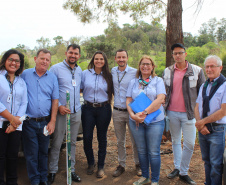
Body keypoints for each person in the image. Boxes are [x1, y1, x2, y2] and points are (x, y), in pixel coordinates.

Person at [162, 43, 205, 184]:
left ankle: (183, 171)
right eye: (175, 53)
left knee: (190, 144)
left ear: (185, 54)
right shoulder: (167, 71)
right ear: (172, 55)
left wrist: (201, 115)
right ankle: (177, 167)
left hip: (189, 114)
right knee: (175, 141)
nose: (178, 55)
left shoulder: (197, 71)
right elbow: (163, 92)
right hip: (172, 113)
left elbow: (202, 94)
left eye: (180, 53)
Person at [21, 49, 59, 185]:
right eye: (42, 58)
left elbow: (55, 100)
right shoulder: (25, 75)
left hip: (45, 123)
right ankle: (35, 180)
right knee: (31, 155)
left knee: (43, 153)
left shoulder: (52, 77)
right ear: (35, 59)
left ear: (50, 62)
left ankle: (43, 179)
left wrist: (53, 121)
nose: (44, 62)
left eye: (47, 60)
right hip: (29, 123)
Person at [126, 55, 166, 185]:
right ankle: (144, 176)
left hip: (155, 121)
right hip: (136, 121)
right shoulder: (133, 82)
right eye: (143, 63)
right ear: (139, 66)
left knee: (153, 151)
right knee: (141, 150)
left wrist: (145, 113)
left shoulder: (158, 81)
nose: (145, 66)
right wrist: (132, 115)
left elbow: (160, 99)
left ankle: (154, 180)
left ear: (153, 66)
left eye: (148, 64)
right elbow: (128, 100)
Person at [48, 44, 82, 183]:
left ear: (79, 55)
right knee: (57, 142)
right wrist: (60, 106)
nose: (73, 55)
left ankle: (71, 170)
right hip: (61, 112)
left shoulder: (79, 70)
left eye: (76, 53)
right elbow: (49, 90)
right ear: (66, 53)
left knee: (72, 142)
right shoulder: (55, 69)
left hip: (76, 112)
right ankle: (52, 171)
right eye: (71, 53)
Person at [81, 51, 113, 178]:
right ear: (93, 60)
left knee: (102, 138)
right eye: (96, 59)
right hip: (88, 109)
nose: (99, 61)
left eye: (101, 59)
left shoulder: (109, 76)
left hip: (103, 109)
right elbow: (78, 89)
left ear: (105, 61)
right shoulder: (85, 74)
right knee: (87, 137)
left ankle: (100, 166)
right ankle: (90, 163)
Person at [195, 55, 226, 185]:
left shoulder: (224, 85)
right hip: (203, 129)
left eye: (212, 66)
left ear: (220, 67)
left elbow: (223, 111)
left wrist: (202, 122)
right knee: (207, 162)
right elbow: (197, 106)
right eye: (207, 66)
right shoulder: (204, 85)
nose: (209, 69)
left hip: (217, 130)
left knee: (216, 165)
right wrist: (200, 125)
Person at [111, 49, 141, 177]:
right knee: (120, 141)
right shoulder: (112, 71)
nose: (121, 59)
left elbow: (144, 85)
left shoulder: (135, 72)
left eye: (123, 57)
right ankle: (121, 164)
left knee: (135, 140)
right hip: (117, 111)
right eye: (119, 57)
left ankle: (138, 164)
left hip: (131, 112)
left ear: (127, 58)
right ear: (115, 58)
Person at [0, 49, 27, 185]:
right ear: (5, 60)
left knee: (12, 156)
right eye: (11, 59)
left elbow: (24, 102)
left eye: (17, 61)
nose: (14, 63)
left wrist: (15, 122)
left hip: (16, 125)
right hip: (1, 123)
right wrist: (11, 119)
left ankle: (12, 182)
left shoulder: (21, 81)